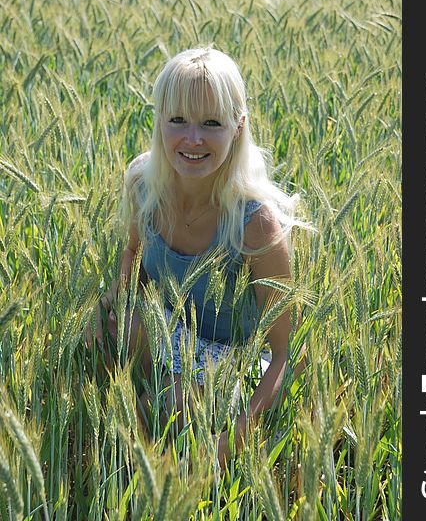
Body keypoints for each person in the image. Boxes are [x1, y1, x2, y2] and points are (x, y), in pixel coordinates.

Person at [86, 46, 312, 468]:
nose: (192, 139)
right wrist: (111, 318)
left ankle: (162, 438)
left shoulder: (254, 223)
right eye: (177, 121)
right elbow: (133, 253)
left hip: (233, 361)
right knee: (94, 331)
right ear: (159, 121)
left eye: (211, 123)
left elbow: (288, 354)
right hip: (171, 333)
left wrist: (224, 448)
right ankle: (138, 440)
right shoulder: (143, 185)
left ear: (238, 127)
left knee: (173, 402)